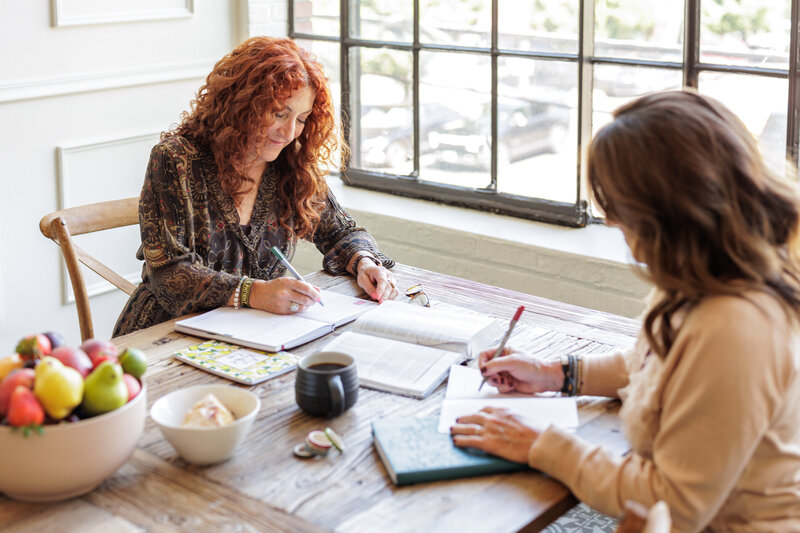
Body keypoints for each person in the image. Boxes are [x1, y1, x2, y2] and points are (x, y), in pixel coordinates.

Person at [451, 90, 800, 531]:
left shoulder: (737, 326)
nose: (612, 222)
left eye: (618, 207)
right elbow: (652, 367)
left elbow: (673, 502)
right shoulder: (705, 275)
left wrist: (542, 445)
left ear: (669, 212)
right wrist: (554, 374)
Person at [114, 37, 397, 336]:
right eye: (279, 114)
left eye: (301, 119)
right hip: (165, 335)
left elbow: (341, 232)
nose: (289, 133)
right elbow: (169, 276)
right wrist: (254, 293)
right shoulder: (176, 160)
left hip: (253, 336)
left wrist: (365, 263)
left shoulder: (293, 166)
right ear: (242, 105)